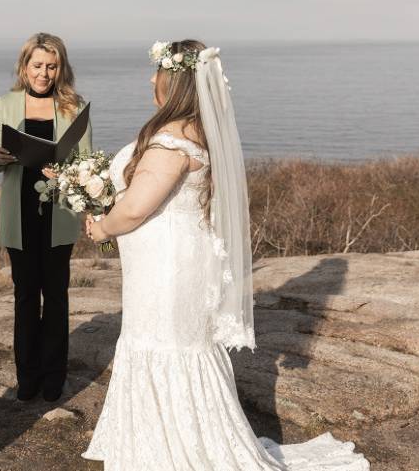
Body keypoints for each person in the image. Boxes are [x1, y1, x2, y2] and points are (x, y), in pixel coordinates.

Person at [82, 40, 369, 470]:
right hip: (178, 260)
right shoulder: (196, 130)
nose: (149, 79)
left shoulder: (171, 141)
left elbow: (138, 207)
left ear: (173, 81)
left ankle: (172, 451)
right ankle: (168, 438)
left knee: (164, 343)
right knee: (179, 344)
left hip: (168, 268)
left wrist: (102, 225)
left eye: (157, 71)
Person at [0, 32, 92, 402]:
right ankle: (26, 379)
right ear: (24, 66)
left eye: (51, 66)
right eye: (37, 66)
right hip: (21, 218)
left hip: (58, 215)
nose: (43, 73)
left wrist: (66, 173)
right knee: (25, 297)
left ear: (61, 68)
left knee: (57, 297)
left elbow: (87, 165)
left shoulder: (74, 106)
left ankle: (53, 378)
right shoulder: (5, 103)